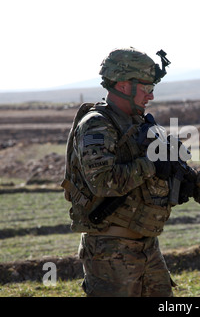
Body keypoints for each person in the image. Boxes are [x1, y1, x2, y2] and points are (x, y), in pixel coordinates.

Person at [61, 47, 178, 297]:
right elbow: (103, 183)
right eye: (147, 88)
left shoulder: (139, 123)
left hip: (146, 245)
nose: (152, 96)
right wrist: (152, 164)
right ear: (125, 86)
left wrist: (182, 177)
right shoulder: (97, 125)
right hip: (110, 250)